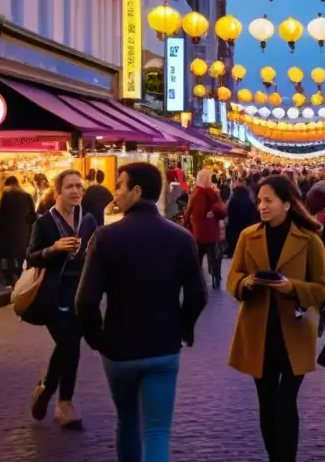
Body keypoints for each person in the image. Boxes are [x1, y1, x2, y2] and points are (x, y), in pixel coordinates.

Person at [76, 162, 207, 462]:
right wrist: (183, 327)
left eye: (120, 185)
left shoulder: (106, 238)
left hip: (119, 348)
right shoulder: (181, 238)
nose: (115, 193)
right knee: (157, 431)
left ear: (137, 191)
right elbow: (197, 294)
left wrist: (97, 338)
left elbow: (84, 301)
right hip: (163, 346)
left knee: (127, 422)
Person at [227, 175, 325, 462]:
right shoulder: (249, 236)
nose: (262, 206)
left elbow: (322, 288)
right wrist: (246, 282)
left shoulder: (310, 240)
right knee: (267, 403)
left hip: (294, 332)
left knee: (286, 403)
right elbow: (232, 278)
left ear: (287, 204)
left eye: (269, 200)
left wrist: (292, 288)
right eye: (260, 200)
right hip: (258, 332)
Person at [25, 169, 99, 429]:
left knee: (70, 345)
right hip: (53, 294)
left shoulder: (87, 219)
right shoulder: (44, 223)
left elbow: (97, 252)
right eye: (70, 187)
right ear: (58, 192)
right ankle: (63, 403)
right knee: (69, 343)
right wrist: (53, 249)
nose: (76, 191)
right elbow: (31, 257)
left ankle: (48, 390)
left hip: (81, 293)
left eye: (79, 186)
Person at [185, 168, 228, 289]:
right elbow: (222, 210)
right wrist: (213, 213)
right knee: (214, 256)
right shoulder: (213, 194)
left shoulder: (197, 194)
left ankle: (197, 278)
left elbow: (192, 213)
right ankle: (216, 276)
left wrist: (187, 223)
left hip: (198, 233)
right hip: (211, 232)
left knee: (197, 257)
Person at [0, 175, 36, 286]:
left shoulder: (6, 195)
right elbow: (33, 215)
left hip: (8, 230)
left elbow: (1, 214)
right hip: (23, 230)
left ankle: (10, 278)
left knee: (9, 255)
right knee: (21, 254)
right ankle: (20, 276)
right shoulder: (27, 195)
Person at [226, 177, 260, 257]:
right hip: (245, 225)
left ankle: (232, 251)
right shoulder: (249, 201)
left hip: (233, 224)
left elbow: (229, 211)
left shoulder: (234, 200)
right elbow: (254, 213)